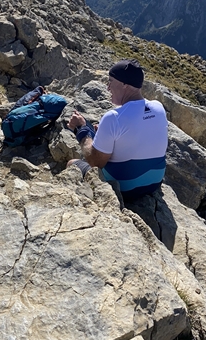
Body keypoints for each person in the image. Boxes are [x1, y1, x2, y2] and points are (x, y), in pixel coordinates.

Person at [70, 60, 174, 247]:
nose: (107, 87)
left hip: (125, 189)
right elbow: (138, 134)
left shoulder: (113, 117)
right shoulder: (158, 107)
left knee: (72, 164)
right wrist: (105, 135)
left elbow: (95, 161)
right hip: (154, 183)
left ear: (125, 84)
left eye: (111, 81)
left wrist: (82, 131)